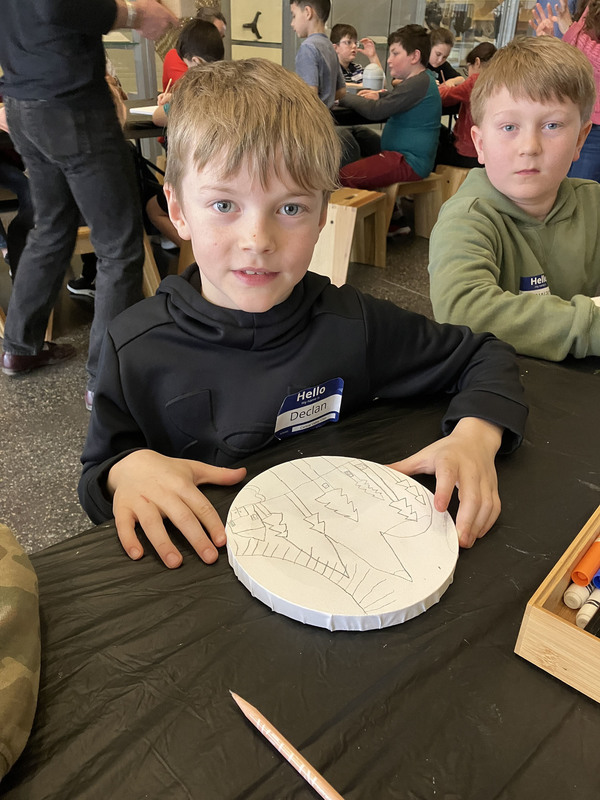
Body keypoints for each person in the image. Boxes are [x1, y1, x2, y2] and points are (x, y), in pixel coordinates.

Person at [78, 58, 528, 571]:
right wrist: (127, 472)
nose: (258, 241)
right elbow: (98, 477)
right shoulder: (133, 345)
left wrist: (474, 437)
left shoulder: (350, 321)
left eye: (290, 208)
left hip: (344, 565)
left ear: (321, 217)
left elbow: (482, 354)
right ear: (177, 210)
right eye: (224, 205)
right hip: (202, 577)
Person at [0, 0, 177, 411]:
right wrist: (135, 14)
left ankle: (20, 347)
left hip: (23, 102)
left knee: (51, 226)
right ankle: (105, 381)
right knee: (119, 246)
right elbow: (56, 6)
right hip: (72, 103)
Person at [428, 35, 600, 361]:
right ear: (480, 144)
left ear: (580, 139)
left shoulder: (594, 204)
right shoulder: (468, 217)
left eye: (552, 125)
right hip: (495, 382)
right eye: (509, 127)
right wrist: (590, 326)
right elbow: (464, 309)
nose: (529, 147)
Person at [337, 25, 441, 193]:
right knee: (359, 135)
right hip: (403, 157)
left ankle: (370, 208)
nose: (389, 60)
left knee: (344, 175)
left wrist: (340, 96)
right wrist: (380, 95)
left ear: (415, 56)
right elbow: (398, 96)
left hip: (408, 161)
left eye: (395, 53)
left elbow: (375, 111)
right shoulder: (421, 80)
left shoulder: (417, 83)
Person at [530, 0, 600, 181]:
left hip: (595, 128)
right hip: (575, 114)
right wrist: (552, 43)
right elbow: (581, 62)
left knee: (582, 190)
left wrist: (570, 29)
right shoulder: (587, 5)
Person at [436, 42, 496, 169]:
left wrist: (442, 86)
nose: (468, 73)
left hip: (468, 152)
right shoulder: (498, 80)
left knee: (436, 143)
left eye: (468, 67)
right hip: (489, 153)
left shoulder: (476, 81)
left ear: (477, 62)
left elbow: (444, 97)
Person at [161, 7, 227, 92]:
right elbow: (193, 92)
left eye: (221, 37)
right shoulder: (178, 56)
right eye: (215, 34)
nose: (218, 42)